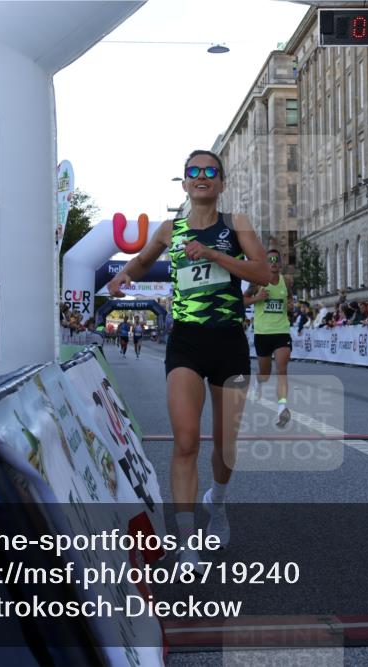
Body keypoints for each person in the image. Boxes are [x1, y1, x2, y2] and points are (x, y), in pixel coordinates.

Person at [106, 149, 270, 570]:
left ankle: (218, 502)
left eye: (210, 171)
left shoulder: (236, 224)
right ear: (184, 183)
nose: (202, 176)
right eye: (193, 171)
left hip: (229, 343)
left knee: (226, 446)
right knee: (185, 440)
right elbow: (142, 261)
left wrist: (214, 254)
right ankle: (187, 543)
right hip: (187, 344)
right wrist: (124, 275)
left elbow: (263, 274)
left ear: (221, 183)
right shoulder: (169, 229)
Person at [244, 248, 294, 427]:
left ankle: (282, 408)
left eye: (276, 260)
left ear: (280, 263)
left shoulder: (286, 281)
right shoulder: (257, 282)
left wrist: (290, 305)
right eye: (270, 260)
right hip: (263, 333)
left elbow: (290, 300)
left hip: (281, 331)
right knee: (265, 374)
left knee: (282, 369)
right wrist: (257, 298)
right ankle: (259, 382)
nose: (273, 263)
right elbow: (242, 301)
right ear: (265, 264)